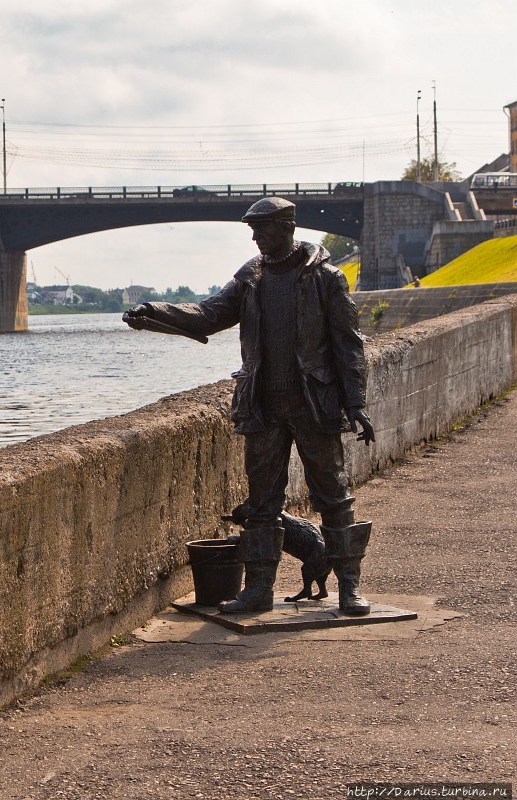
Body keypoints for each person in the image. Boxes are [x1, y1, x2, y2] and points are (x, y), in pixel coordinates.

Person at [123, 197, 375, 616]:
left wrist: (356, 402)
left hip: (314, 404)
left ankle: (349, 587)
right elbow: (207, 315)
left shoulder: (326, 280)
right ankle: (259, 588)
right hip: (263, 406)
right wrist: (156, 311)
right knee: (262, 503)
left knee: (333, 496)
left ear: (287, 227)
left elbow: (349, 345)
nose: (255, 238)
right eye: (252, 230)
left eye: (262, 229)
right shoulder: (250, 280)